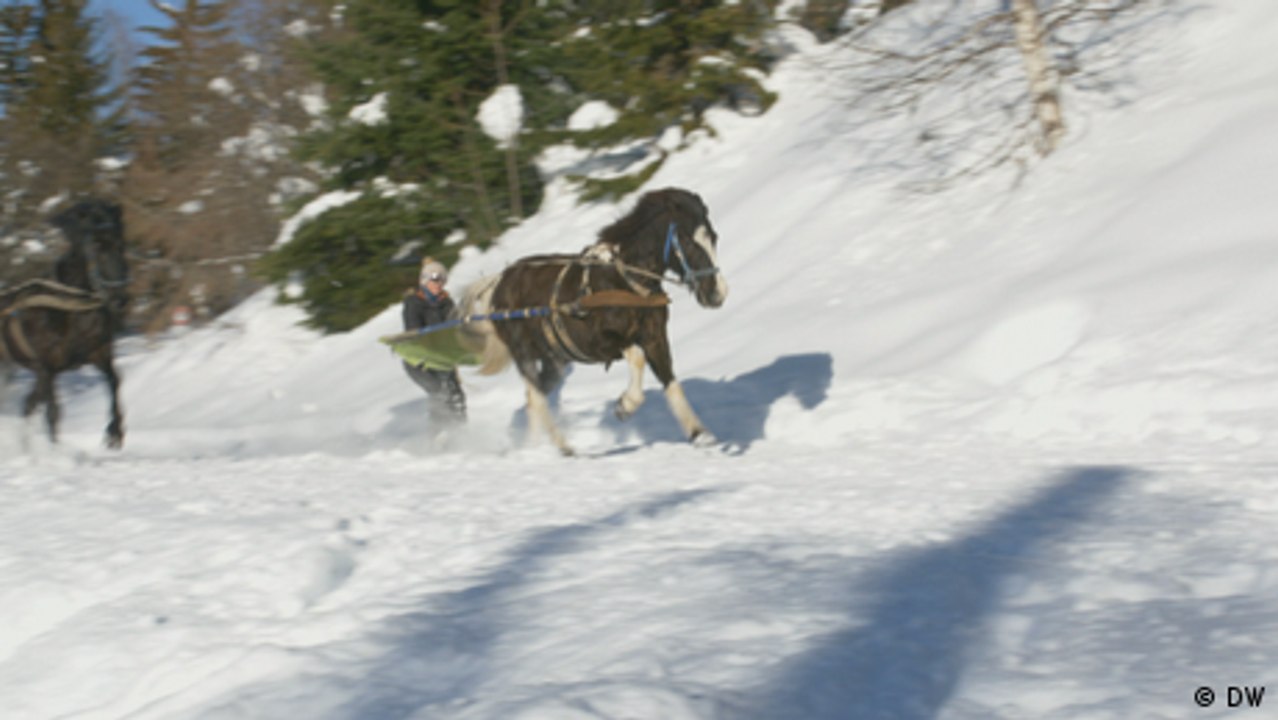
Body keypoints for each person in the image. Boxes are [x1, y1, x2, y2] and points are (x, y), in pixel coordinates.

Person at [402, 258, 467, 431]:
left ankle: (461, 432)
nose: (438, 283)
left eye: (442, 279)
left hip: (442, 358)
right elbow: (413, 331)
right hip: (419, 361)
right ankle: (439, 434)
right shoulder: (413, 303)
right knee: (440, 393)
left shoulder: (447, 303)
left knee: (457, 395)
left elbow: (454, 327)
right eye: (434, 279)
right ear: (424, 281)